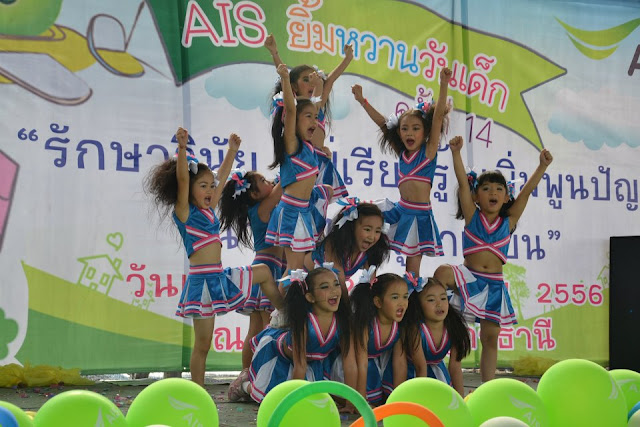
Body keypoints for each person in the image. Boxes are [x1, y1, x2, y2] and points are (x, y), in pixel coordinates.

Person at [144, 127, 284, 388]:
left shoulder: (209, 209)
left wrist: (232, 151)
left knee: (264, 272)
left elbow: (222, 176)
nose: (210, 190)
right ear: (188, 190)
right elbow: (183, 179)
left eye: (211, 186)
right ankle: (197, 391)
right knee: (203, 344)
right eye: (203, 186)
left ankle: (284, 315)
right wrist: (182, 149)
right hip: (202, 284)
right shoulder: (185, 212)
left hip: (219, 277)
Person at [434, 135, 553, 382]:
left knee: (490, 338)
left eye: (499, 189)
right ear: (476, 197)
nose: (493, 192)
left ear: (507, 197)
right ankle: (436, 319)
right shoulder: (472, 216)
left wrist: (542, 166)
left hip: (494, 286)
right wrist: (456, 153)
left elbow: (526, 193)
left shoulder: (509, 221)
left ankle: (488, 386)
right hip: (469, 278)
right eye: (486, 188)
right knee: (443, 273)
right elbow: (463, 183)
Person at [351, 67, 452, 276]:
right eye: (404, 128)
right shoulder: (402, 153)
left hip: (420, 216)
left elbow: (437, 118)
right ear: (399, 132)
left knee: (412, 270)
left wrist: (443, 84)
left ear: (425, 131)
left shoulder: (428, 153)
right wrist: (362, 100)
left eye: (416, 128)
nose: (409, 133)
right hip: (400, 211)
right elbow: (382, 124)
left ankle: (410, 293)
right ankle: (367, 279)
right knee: (369, 231)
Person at [228, 267, 354, 403]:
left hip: (312, 362)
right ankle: (243, 386)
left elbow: (350, 364)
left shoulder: (342, 322)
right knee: (273, 398)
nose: (334, 291)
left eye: (336, 284)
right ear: (310, 297)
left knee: (316, 397)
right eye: (325, 287)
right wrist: (294, 405)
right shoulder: (304, 324)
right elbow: (300, 367)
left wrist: (351, 402)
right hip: (281, 357)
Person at [218, 169, 285, 388]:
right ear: (254, 194)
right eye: (263, 180)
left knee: (255, 326)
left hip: (264, 267)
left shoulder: (259, 209)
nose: (269, 181)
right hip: (269, 268)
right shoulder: (263, 208)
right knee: (269, 325)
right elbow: (284, 184)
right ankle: (263, 375)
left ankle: (246, 373)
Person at [265, 34, 352, 199]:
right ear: (293, 87)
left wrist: (347, 59)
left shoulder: (317, 103)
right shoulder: (294, 108)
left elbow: (330, 80)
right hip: (300, 162)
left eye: (315, 78)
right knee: (299, 202)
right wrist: (274, 53)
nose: (312, 82)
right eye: (306, 79)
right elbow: (285, 78)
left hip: (319, 163)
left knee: (318, 207)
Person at [265, 64, 323, 272]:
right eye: (308, 116)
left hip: (303, 210)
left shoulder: (308, 148)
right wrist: (284, 78)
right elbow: (291, 109)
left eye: (315, 117)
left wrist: (317, 85)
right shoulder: (291, 143)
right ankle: (284, 296)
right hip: (291, 211)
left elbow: (318, 100)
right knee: (295, 269)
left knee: (298, 269)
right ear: (294, 121)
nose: (314, 121)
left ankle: (289, 294)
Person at [346, 269, 409, 406]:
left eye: (405, 297)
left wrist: (399, 399)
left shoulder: (400, 325)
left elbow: (400, 363)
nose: (402, 303)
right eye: (395, 297)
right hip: (353, 368)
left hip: (376, 365)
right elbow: (361, 363)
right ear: (378, 302)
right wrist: (360, 401)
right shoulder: (365, 324)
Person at [400, 275, 471, 395]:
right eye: (431, 300)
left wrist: (461, 399)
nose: (439, 304)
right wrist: (420, 399)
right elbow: (420, 367)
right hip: (413, 375)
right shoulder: (415, 330)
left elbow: (455, 367)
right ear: (418, 305)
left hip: (438, 374)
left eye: (443, 298)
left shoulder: (454, 327)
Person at [304, 198, 390, 296]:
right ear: (352, 227)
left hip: (322, 292)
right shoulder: (333, 244)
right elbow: (340, 286)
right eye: (367, 229)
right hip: (303, 284)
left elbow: (371, 284)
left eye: (377, 231)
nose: (372, 237)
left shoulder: (370, 251)